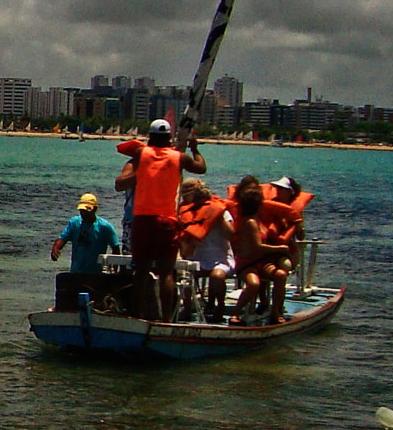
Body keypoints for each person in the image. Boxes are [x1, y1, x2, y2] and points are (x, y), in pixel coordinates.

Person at [116, 118, 206, 321]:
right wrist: (195, 149)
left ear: (149, 137)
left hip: (142, 219)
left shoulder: (140, 153)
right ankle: (166, 319)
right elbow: (201, 168)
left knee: (140, 271)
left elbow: (119, 184)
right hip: (167, 220)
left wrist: (142, 174)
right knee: (166, 273)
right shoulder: (179, 158)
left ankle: (137, 315)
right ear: (169, 138)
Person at [227, 176, 294, 323]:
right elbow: (257, 247)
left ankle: (275, 312)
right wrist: (280, 249)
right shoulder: (250, 222)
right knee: (254, 283)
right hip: (247, 263)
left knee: (281, 275)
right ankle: (236, 314)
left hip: (261, 263)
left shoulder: (259, 220)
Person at [176, 179, 233, 322]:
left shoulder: (219, 210)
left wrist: (218, 218)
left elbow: (231, 234)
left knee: (217, 276)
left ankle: (218, 307)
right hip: (197, 258)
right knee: (186, 275)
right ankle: (187, 309)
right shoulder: (186, 213)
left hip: (221, 257)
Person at [51, 192, 120, 305]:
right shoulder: (74, 223)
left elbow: (115, 248)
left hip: (95, 274)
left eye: (87, 211)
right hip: (76, 272)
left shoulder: (105, 227)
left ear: (95, 209)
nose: (83, 214)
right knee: (71, 299)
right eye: (82, 211)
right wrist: (56, 249)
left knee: (94, 301)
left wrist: (114, 269)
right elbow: (62, 238)